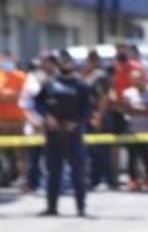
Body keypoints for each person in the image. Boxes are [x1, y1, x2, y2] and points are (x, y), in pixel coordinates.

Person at [35, 51, 92, 217]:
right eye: (63, 62)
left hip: (73, 132)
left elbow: (87, 107)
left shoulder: (81, 84)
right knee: (53, 172)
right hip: (54, 132)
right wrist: (47, 117)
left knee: (78, 172)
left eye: (68, 62)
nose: (66, 65)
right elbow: (38, 103)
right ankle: (51, 207)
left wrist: (77, 122)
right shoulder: (50, 83)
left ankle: (81, 207)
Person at [81, 50, 117, 190]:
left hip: (99, 116)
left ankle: (108, 180)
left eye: (90, 60)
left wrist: (98, 116)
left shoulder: (100, 75)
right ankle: (94, 180)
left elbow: (103, 97)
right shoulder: (88, 75)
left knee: (102, 150)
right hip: (89, 116)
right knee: (92, 150)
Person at [19, 54, 54, 193]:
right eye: (46, 61)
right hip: (35, 123)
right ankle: (33, 184)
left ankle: (50, 184)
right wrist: (33, 120)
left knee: (51, 156)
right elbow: (24, 104)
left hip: (52, 123)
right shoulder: (32, 79)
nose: (49, 64)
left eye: (51, 61)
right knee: (34, 156)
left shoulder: (55, 78)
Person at [122, 68, 148, 191]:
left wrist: (137, 108)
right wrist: (143, 109)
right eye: (134, 79)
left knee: (147, 157)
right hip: (132, 130)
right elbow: (128, 110)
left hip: (147, 130)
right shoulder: (127, 93)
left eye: (139, 78)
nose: (137, 81)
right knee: (132, 157)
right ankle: (133, 180)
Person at [0, 52, 27, 186]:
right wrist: (13, 95)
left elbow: (24, 95)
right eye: (3, 59)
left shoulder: (22, 76)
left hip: (19, 121)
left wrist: (7, 95)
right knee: (2, 152)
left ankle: (22, 180)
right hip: (2, 121)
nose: (6, 62)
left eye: (8, 59)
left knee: (21, 153)